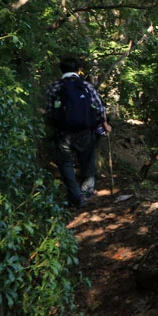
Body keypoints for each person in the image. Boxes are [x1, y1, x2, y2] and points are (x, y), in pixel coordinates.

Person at [46, 56, 111, 208]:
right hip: (85, 131)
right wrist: (105, 124)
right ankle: (86, 194)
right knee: (87, 161)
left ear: (61, 70)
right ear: (78, 71)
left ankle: (75, 195)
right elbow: (100, 108)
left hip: (63, 133)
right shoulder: (86, 86)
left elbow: (50, 110)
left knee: (65, 164)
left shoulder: (55, 86)